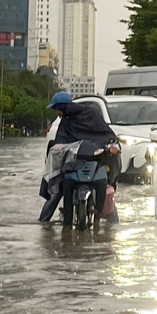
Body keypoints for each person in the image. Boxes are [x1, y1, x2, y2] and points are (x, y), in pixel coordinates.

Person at [38, 91, 120, 222]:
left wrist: (109, 146)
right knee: (58, 190)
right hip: (73, 166)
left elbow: (104, 134)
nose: (56, 113)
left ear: (61, 107)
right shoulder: (67, 121)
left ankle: (113, 225)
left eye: (56, 110)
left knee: (106, 190)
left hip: (95, 163)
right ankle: (43, 223)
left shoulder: (89, 114)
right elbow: (61, 140)